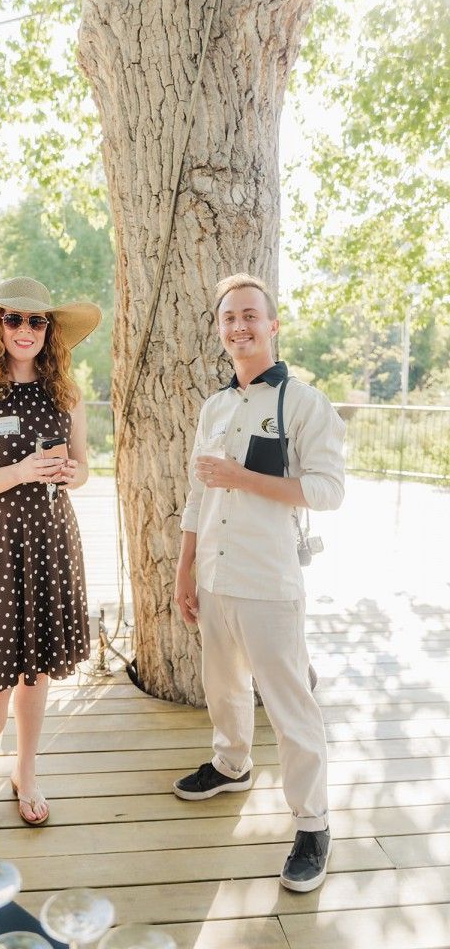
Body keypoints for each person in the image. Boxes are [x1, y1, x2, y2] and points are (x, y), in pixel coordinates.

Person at [173, 272, 345, 893]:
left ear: (272, 326)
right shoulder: (214, 406)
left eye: (250, 315)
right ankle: (232, 764)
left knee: (291, 705)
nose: (239, 327)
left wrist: (241, 476)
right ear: (220, 331)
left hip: (270, 582)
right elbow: (198, 493)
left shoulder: (303, 403)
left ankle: (313, 822)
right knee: (221, 684)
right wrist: (183, 569)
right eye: (229, 319)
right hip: (214, 576)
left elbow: (328, 491)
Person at [0, 275, 101, 836]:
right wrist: (19, 472)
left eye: (37, 321)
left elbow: (84, 468)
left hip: (53, 541)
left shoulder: (67, 396)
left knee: (36, 677)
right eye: (14, 318)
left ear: (49, 330)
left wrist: (68, 472)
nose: (25, 329)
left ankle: (25, 773)